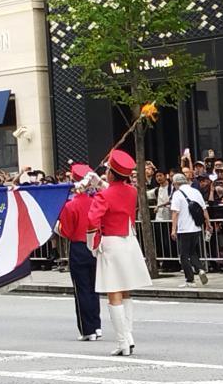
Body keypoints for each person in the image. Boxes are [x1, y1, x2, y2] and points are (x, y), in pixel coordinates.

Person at [87, 149, 152, 356]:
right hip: (129, 241)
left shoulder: (103, 195)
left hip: (111, 243)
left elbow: (92, 220)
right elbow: (117, 192)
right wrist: (100, 183)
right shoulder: (131, 191)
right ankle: (128, 336)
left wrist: (91, 243)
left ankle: (123, 342)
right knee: (125, 291)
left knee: (113, 291)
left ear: (112, 173)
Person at [56, 163, 103, 342]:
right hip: (96, 246)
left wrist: (57, 228)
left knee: (82, 289)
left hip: (79, 247)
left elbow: (67, 231)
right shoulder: (97, 201)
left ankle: (87, 329)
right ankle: (97, 325)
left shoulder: (70, 205)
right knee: (94, 288)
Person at [170, 172, 211, 288]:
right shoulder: (196, 191)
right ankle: (200, 269)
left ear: (176, 183)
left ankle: (190, 279)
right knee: (193, 251)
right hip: (196, 227)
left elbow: (175, 212)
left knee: (183, 255)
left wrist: (173, 229)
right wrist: (208, 223)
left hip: (184, 228)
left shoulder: (177, 194)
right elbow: (204, 209)